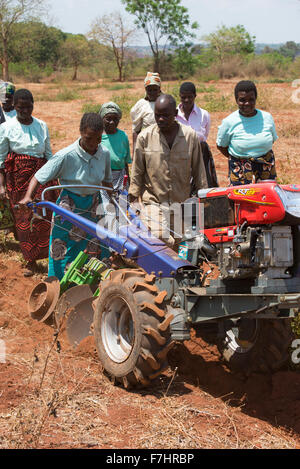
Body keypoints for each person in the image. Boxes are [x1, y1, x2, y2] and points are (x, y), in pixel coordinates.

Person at [19, 113, 113, 281]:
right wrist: (28, 196)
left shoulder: (104, 153)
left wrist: (114, 199)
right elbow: (39, 177)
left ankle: (95, 281)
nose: (93, 144)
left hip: (93, 204)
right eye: (89, 138)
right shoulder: (66, 155)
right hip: (69, 204)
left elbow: (106, 181)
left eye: (98, 139)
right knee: (63, 246)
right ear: (81, 132)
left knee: (98, 242)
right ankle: (59, 283)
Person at [129, 94, 208, 247]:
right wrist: (133, 200)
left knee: (180, 244)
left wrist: (204, 198)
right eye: (157, 115)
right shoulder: (145, 137)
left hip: (180, 203)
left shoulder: (190, 137)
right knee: (159, 237)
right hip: (154, 201)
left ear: (176, 114)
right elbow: (137, 170)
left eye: (165, 116)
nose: (161, 120)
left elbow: (199, 171)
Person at [0, 88, 58, 276]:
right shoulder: (6, 128)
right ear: (14, 107)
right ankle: (30, 260)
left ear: (33, 104)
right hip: (18, 179)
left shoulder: (42, 125)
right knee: (25, 219)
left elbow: (48, 154)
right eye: (20, 108)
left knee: (45, 216)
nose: (25, 111)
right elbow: (1, 160)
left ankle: (50, 259)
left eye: (28, 107)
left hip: (42, 176)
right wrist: (1, 185)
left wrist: (54, 177)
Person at [217, 80, 278, 186]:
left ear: (256, 99)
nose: (247, 103)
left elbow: (271, 139)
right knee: (241, 199)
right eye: (242, 100)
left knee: (266, 198)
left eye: (251, 99)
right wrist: (239, 156)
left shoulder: (267, 118)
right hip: (239, 166)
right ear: (236, 100)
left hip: (266, 164)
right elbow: (221, 146)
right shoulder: (229, 122)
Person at [176, 81, 218, 188]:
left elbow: (205, 136)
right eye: (183, 97)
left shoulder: (204, 114)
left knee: (202, 186)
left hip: (200, 156)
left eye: (190, 97)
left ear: (195, 96)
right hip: (178, 156)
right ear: (179, 96)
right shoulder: (173, 114)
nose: (187, 100)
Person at [99, 102, 131, 205]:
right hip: (103, 178)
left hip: (121, 177)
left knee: (122, 206)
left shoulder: (123, 136)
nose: (112, 122)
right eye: (108, 119)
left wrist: (128, 183)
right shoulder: (98, 137)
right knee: (106, 207)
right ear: (102, 119)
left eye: (115, 119)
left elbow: (125, 161)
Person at [130, 72, 162, 152]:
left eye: (155, 89)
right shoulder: (141, 105)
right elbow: (136, 130)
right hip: (147, 145)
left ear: (159, 89)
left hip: (163, 144)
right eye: (149, 90)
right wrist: (135, 151)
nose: (152, 92)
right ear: (145, 89)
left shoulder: (164, 102)